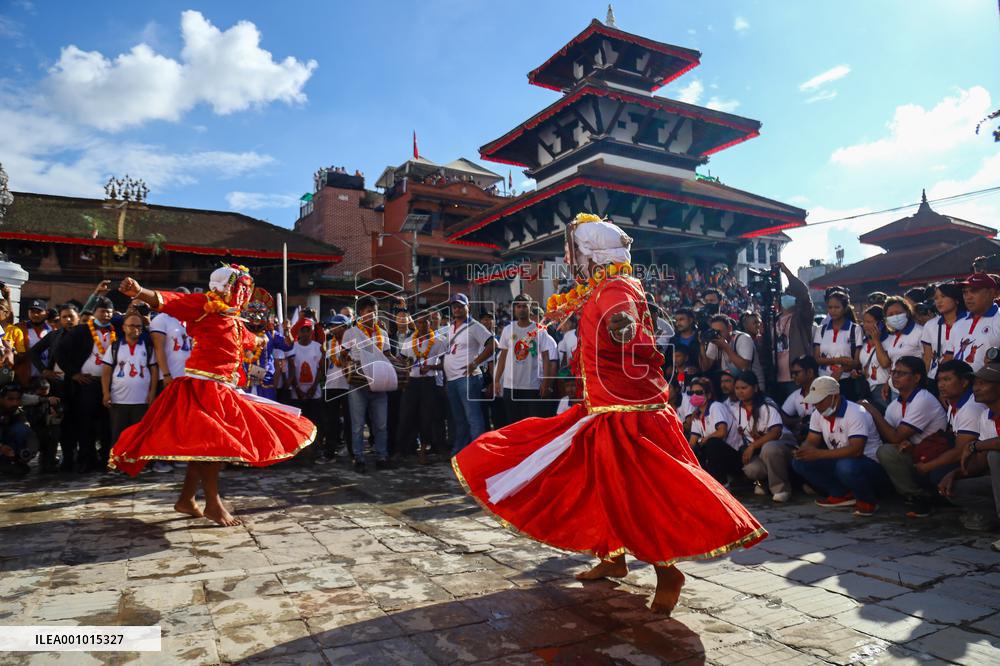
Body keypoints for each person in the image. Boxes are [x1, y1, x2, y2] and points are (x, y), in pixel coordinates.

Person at [452, 214, 765, 616]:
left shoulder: (616, 291)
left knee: (638, 493)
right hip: (602, 406)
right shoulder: (603, 286)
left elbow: (627, 328)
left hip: (630, 414)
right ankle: (613, 556)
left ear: (594, 257)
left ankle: (667, 572)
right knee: (597, 483)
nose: (572, 262)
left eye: (577, 255)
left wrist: (624, 327)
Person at [108, 268, 316, 526]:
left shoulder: (234, 319)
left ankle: (186, 499)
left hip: (223, 389)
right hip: (202, 388)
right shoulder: (203, 305)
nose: (243, 295)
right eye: (241, 289)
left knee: (205, 449)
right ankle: (213, 504)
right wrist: (140, 292)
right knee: (212, 449)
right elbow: (172, 301)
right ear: (226, 288)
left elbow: (247, 340)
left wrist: (267, 339)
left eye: (245, 290)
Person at [863, 356, 949, 518]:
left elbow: (895, 437)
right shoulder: (895, 405)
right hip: (916, 453)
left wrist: (872, 410)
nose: (895, 376)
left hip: (935, 455)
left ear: (916, 378)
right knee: (881, 450)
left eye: (901, 373)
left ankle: (921, 496)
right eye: (894, 372)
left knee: (886, 451)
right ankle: (913, 494)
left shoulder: (923, 398)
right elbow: (889, 436)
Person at [792, 376, 890, 517]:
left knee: (846, 466)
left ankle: (867, 500)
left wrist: (817, 454)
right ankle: (841, 493)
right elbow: (811, 440)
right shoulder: (817, 414)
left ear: (835, 397)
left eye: (820, 401)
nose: (817, 406)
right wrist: (803, 450)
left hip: (869, 464)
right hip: (842, 461)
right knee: (799, 462)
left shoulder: (856, 412)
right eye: (815, 402)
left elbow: (856, 450)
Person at [938, 358, 1000, 545]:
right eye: (976, 383)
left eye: (983, 383)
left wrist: (975, 446)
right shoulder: (984, 415)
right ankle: (990, 516)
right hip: (995, 478)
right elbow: (980, 461)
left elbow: (986, 448)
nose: (976, 388)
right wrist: (955, 473)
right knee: (952, 487)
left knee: (995, 456)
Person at [56, 296, 117, 472]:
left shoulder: (117, 330)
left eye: (109, 312)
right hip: (87, 384)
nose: (106, 314)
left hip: (109, 385)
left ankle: (106, 457)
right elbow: (59, 352)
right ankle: (86, 459)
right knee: (85, 423)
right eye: (102, 311)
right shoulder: (81, 330)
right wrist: (73, 373)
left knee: (106, 424)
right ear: (95, 312)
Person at [342, 296, 392, 473]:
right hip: (358, 384)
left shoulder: (383, 334)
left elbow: (388, 356)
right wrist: (348, 369)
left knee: (381, 424)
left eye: (375, 312)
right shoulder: (351, 333)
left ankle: (382, 456)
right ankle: (359, 457)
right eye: (369, 311)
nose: (373, 315)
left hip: (379, 385)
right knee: (357, 425)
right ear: (360, 314)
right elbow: (343, 355)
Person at [442, 293, 495, 454]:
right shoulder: (450, 327)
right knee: (459, 419)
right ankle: (461, 452)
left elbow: (493, 344)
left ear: (468, 307)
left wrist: (475, 362)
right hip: (452, 380)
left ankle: (477, 454)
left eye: (460, 305)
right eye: (454, 306)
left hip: (468, 379)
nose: (457, 308)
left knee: (474, 419)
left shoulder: (475, 326)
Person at [495, 294, 558, 423]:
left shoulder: (539, 330)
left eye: (525, 306)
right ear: (514, 309)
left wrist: (545, 382)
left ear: (530, 308)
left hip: (532, 386)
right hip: (510, 387)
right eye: (518, 306)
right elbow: (503, 357)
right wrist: (496, 380)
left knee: (531, 424)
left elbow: (546, 358)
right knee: (513, 423)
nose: (521, 309)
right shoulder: (507, 330)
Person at [735, 371, 796, 502]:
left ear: (755, 388)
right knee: (750, 469)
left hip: (783, 446)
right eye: (737, 388)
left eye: (744, 388)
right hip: (760, 452)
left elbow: (776, 432)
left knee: (769, 448)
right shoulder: (737, 408)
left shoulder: (767, 405)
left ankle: (781, 489)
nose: (740, 392)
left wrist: (753, 446)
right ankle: (762, 483)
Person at [102, 313, 158, 447]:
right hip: (118, 399)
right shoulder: (114, 347)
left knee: (139, 434)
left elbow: (154, 371)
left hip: (142, 400)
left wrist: (152, 393)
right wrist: (106, 393)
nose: (136, 329)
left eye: (139, 326)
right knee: (118, 435)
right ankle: (116, 465)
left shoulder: (148, 348)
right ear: (124, 327)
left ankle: (137, 466)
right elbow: (106, 372)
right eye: (132, 325)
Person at [397, 312, 448, 460]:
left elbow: (446, 364)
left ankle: (424, 451)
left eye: (424, 322)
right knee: (406, 416)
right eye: (418, 323)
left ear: (430, 323)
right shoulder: (408, 341)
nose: (421, 326)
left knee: (427, 417)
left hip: (429, 382)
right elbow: (402, 360)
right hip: (412, 382)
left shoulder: (439, 341)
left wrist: (432, 368)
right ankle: (401, 449)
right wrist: (401, 364)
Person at [688, 376, 745, 486]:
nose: (695, 395)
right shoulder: (697, 414)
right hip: (718, 455)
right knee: (694, 451)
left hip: (735, 455)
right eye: (692, 393)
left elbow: (722, 432)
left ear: (708, 395)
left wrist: (705, 439)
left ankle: (721, 483)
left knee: (712, 443)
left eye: (699, 392)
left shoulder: (716, 407)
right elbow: (692, 442)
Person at [943, 273, 1000, 371]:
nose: (968, 297)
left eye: (974, 291)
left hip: (989, 384)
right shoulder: (958, 323)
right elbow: (949, 356)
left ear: (991, 292)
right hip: (960, 384)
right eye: (965, 292)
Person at [813, 291, 863, 399]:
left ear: (845, 308)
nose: (833, 311)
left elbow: (856, 362)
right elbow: (817, 359)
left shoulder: (855, 329)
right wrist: (840, 361)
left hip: (846, 381)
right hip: (824, 379)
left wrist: (840, 370)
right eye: (830, 307)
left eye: (837, 307)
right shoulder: (821, 330)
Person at [287, 319, 325, 461]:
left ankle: (316, 450)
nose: (306, 333)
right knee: (298, 423)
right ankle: (299, 451)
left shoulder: (317, 347)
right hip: (296, 394)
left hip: (314, 393)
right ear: (298, 332)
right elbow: (291, 369)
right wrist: (297, 390)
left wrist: (313, 388)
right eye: (303, 330)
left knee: (315, 422)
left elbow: (320, 369)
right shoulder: (293, 347)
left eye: (309, 330)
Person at [921, 282, 965, 386]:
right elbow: (927, 358)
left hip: (961, 378)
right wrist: (923, 382)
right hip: (934, 378)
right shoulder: (930, 325)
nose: (939, 301)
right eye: (936, 298)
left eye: (943, 296)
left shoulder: (968, 320)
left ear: (956, 299)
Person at [322, 315, 353, 461]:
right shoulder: (329, 343)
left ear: (345, 327)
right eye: (331, 326)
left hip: (348, 386)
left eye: (336, 326)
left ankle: (352, 451)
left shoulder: (353, 344)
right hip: (331, 385)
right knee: (331, 421)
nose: (332, 329)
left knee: (349, 420)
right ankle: (329, 452)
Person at [701, 314, 759, 387]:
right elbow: (705, 367)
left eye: (719, 332)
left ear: (730, 328)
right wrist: (702, 346)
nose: (716, 335)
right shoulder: (715, 340)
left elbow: (744, 367)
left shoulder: (743, 338)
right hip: (731, 385)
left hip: (751, 386)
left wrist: (726, 347)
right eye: (714, 331)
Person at [0, 384, 37, 477]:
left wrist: (30, 452)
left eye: (17, 399)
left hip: (8, 450)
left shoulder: (18, 412)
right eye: (10, 399)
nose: (15, 403)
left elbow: (29, 434)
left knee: (22, 430)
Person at [860, 306, 892, 410]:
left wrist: (877, 341)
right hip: (867, 389)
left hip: (883, 388)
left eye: (869, 322)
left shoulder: (890, 341)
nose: (865, 326)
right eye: (864, 322)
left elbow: (884, 363)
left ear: (880, 323)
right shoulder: (863, 343)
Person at [781, 355, 818, 442]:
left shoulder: (827, 392)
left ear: (810, 372)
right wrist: (799, 421)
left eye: (797, 373)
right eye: (792, 373)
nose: (793, 376)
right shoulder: (796, 395)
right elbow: (782, 417)